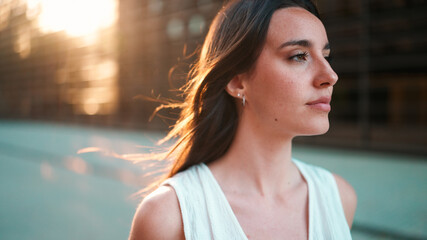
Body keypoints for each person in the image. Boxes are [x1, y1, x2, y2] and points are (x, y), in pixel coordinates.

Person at [129, 0, 357, 239]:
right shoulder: (169, 216)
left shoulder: (339, 199)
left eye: (326, 55)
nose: (330, 76)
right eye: (299, 56)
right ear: (238, 82)